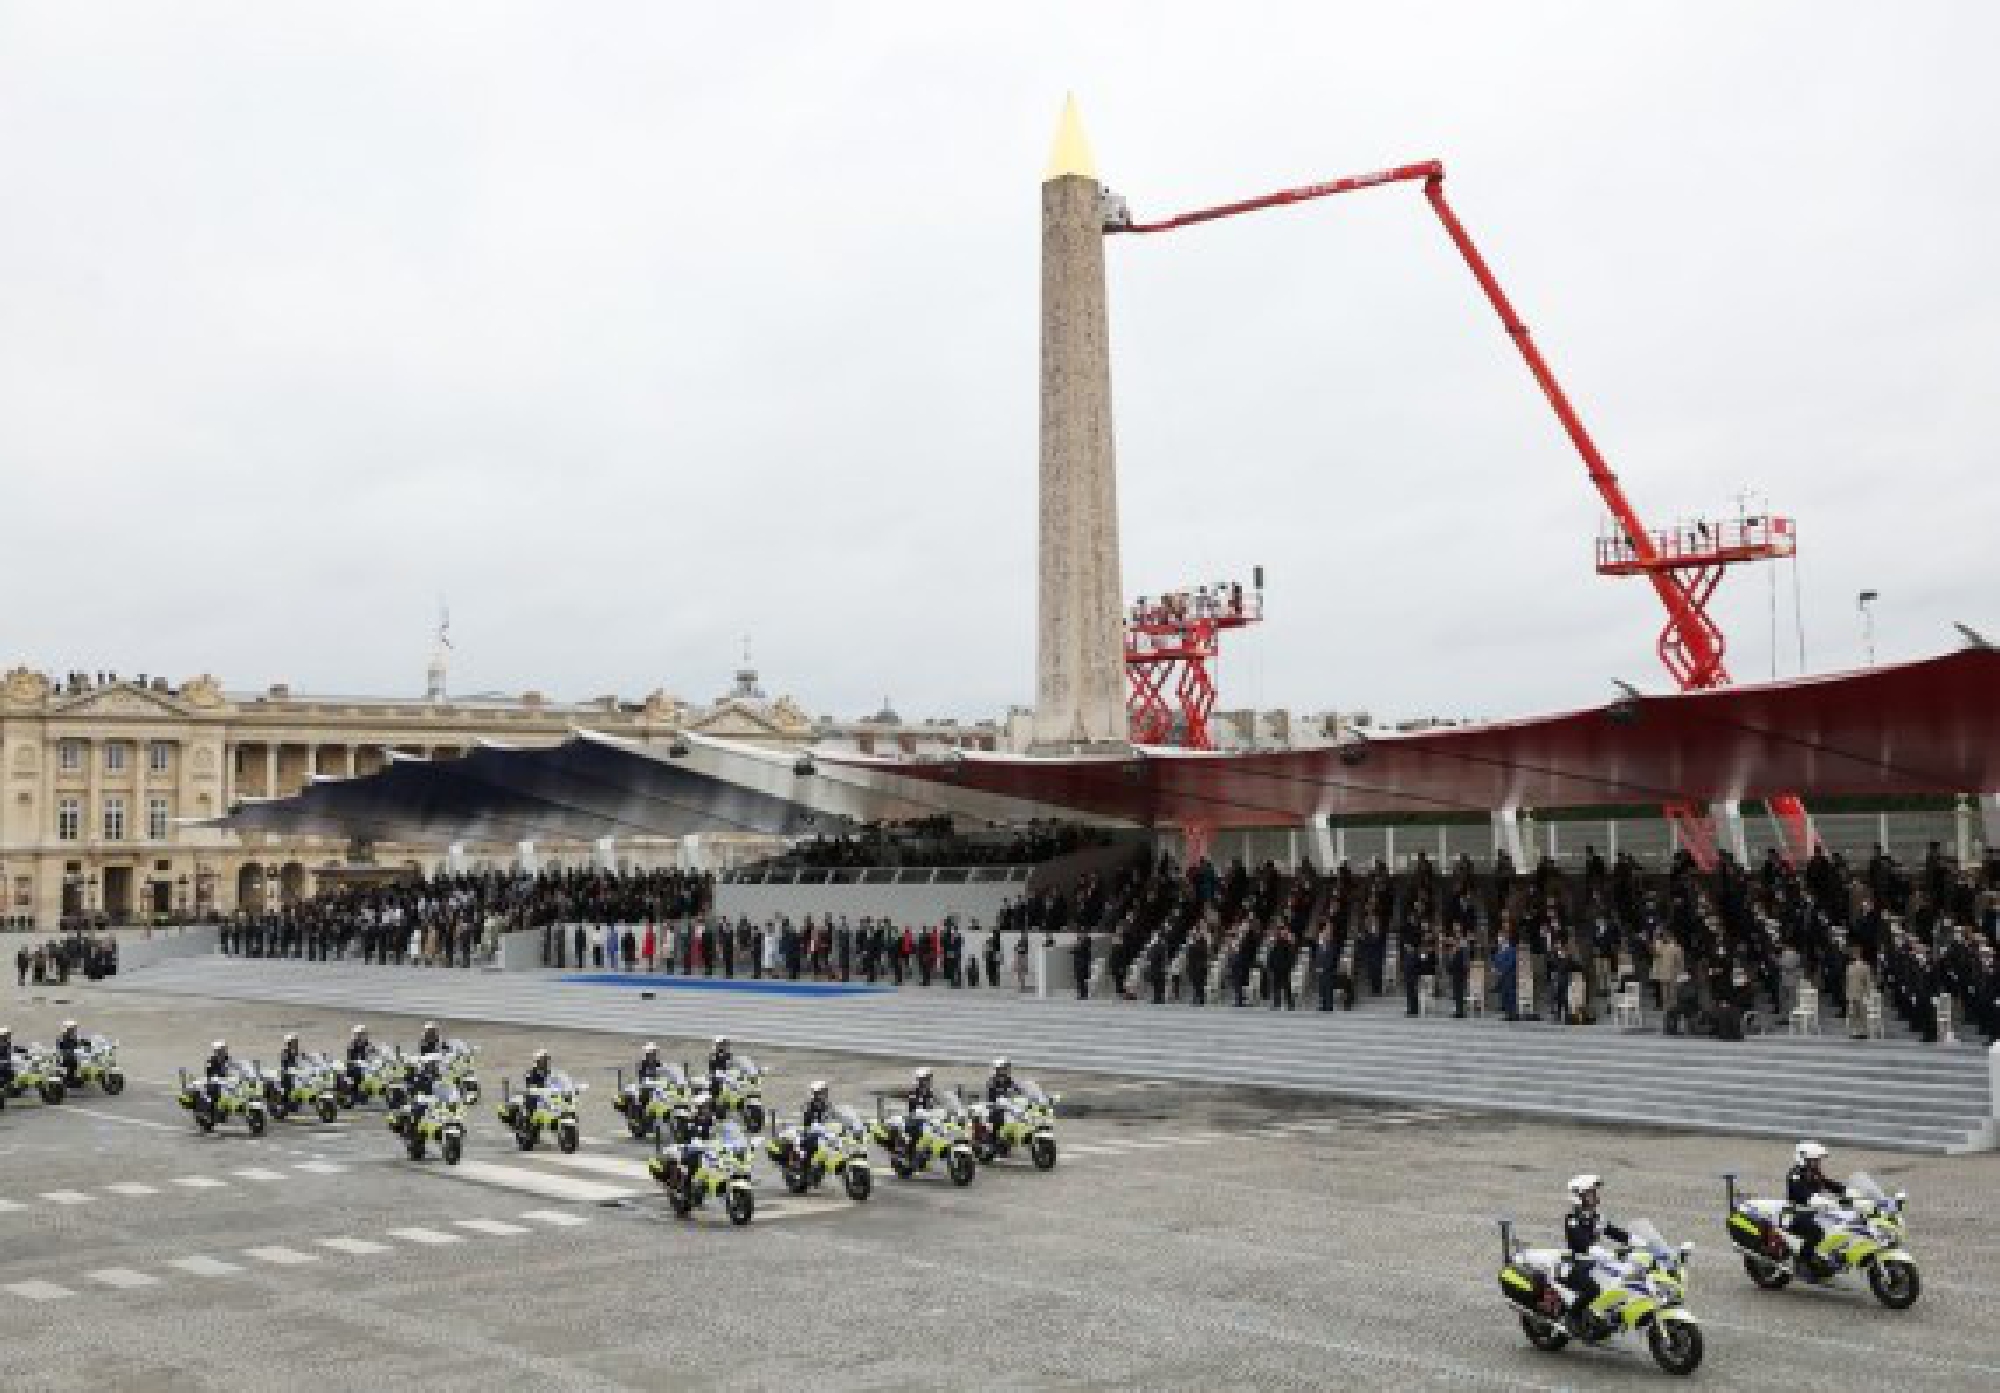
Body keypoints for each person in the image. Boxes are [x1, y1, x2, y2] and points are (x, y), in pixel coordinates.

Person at [1558, 1174, 1631, 1315]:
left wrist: (1644, 1244)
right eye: (1590, 1193)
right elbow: (1582, 1244)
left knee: (1622, 1280)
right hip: (1576, 1265)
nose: (1595, 1196)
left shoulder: (1596, 1217)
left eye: (1594, 1192)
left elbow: (1618, 1234)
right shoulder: (1573, 1219)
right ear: (1578, 1196)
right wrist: (1612, 1254)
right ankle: (1570, 1319)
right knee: (1593, 1290)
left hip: (1593, 1263)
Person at [1785, 1140, 1845, 1266]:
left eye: (1818, 1160)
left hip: (1813, 1212)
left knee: (1841, 1225)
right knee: (1817, 1232)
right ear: (1804, 1159)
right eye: (1814, 1160)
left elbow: (1829, 1184)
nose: (1817, 1162)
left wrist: (1847, 1191)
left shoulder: (1813, 1173)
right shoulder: (1795, 1175)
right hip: (1797, 1214)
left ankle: (1830, 1256)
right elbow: (1803, 1195)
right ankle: (1804, 1261)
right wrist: (1824, 1202)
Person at [984, 1057, 1019, 1142]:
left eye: (1006, 1068)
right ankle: (993, 1141)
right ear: (997, 1070)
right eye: (1003, 1069)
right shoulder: (992, 1081)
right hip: (994, 1107)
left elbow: (1017, 1088)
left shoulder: (1008, 1080)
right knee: (997, 1119)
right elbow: (993, 1093)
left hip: (1007, 1105)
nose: (1006, 1071)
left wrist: (1022, 1092)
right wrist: (1003, 1094)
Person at [903, 1066, 937, 1153]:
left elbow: (930, 1106)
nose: (929, 1081)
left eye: (929, 1078)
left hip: (925, 1119)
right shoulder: (915, 1091)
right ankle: (910, 1154)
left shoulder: (929, 1091)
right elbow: (913, 1106)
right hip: (915, 1120)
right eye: (927, 1078)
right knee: (916, 1137)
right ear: (921, 1079)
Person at [55, 1020, 83, 1084]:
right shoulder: (62, 1038)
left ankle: (74, 1077)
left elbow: (79, 1042)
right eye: (72, 1028)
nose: (74, 1030)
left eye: (74, 1028)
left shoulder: (73, 1036)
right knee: (73, 1063)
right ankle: (70, 1080)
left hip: (71, 1056)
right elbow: (63, 1050)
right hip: (65, 1059)